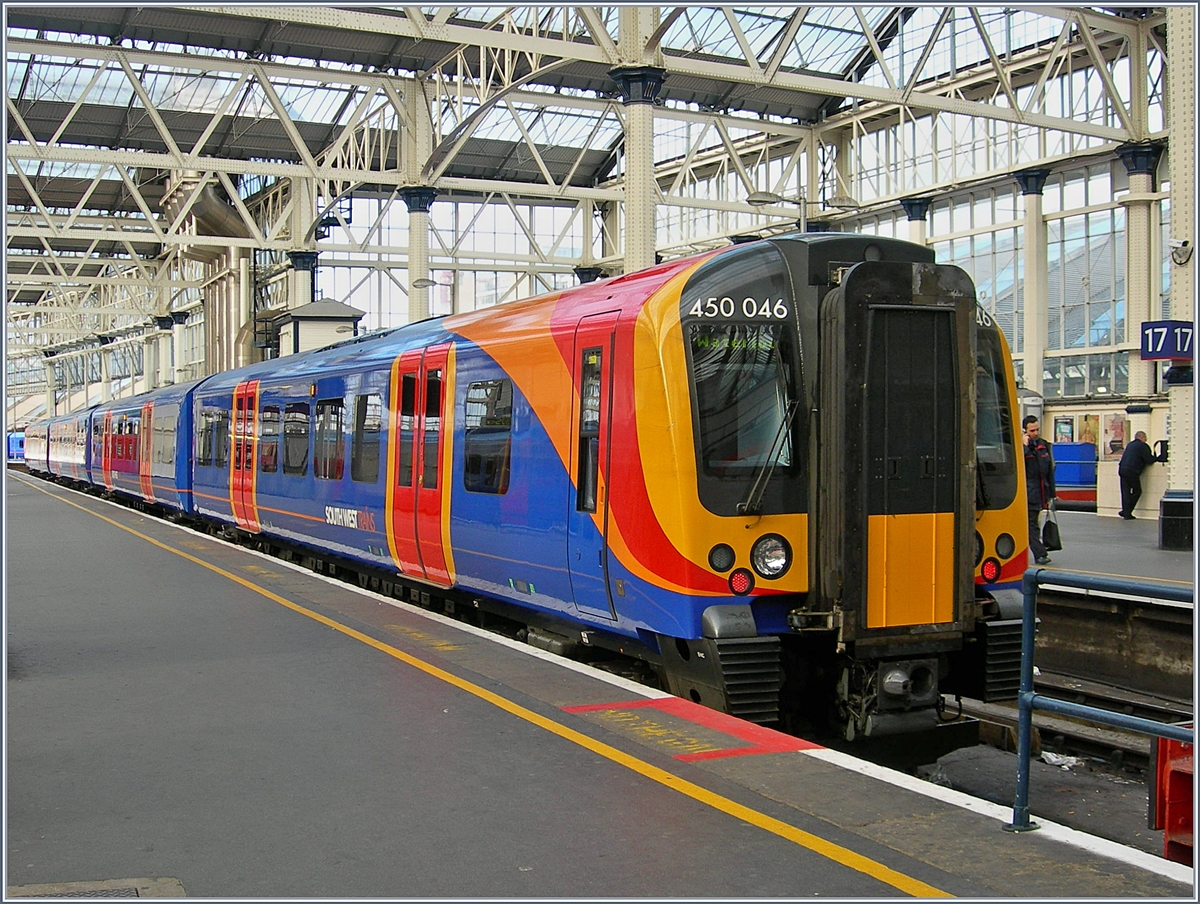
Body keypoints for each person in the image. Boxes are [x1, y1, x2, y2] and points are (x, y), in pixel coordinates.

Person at [1022, 415, 1056, 565]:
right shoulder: (1021, 447)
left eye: (1037, 429)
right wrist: (1024, 447)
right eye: (1032, 431)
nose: (1035, 433)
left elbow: (1049, 472)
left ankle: (1039, 551)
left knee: (1034, 523)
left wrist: (1052, 494)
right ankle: (1040, 553)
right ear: (1025, 431)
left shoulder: (1044, 446)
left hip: (1041, 492)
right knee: (1032, 525)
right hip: (1028, 493)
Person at [1118, 430, 1157, 520]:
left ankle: (1125, 511)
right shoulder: (1143, 446)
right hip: (1132, 470)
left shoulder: (1130, 445)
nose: (1146, 440)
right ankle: (1127, 511)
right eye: (1145, 438)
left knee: (1125, 492)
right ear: (1141, 437)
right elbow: (1149, 460)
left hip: (1122, 469)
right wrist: (1156, 458)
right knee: (1137, 491)